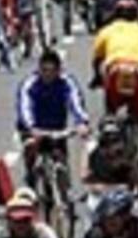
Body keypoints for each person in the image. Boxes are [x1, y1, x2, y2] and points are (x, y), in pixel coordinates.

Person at [91, 0, 138, 162]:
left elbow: (97, 59)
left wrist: (97, 78)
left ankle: (107, 153)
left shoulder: (107, 31)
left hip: (115, 72)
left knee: (111, 114)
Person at [15, 49, 90, 183]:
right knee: (31, 147)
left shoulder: (67, 82)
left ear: (59, 70)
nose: (48, 74)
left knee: (60, 159)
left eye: (52, 71)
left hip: (57, 128)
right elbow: (24, 107)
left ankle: (64, 191)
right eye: (44, 70)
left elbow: (75, 102)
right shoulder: (29, 84)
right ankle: (31, 178)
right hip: (33, 128)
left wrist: (81, 122)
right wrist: (31, 127)